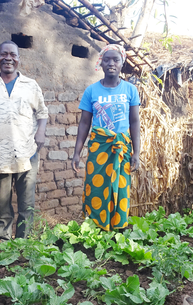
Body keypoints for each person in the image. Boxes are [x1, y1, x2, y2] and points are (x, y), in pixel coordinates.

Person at [0, 41, 49, 242]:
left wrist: (41, 132)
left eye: (13, 55)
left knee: (26, 202)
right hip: (0, 152)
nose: (8, 58)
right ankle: (4, 242)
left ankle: (24, 242)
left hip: (27, 151)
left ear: (18, 59)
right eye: (4, 54)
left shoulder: (31, 85)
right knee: (2, 202)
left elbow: (42, 113)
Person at [71, 44, 141, 231]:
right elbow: (84, 123)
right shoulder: (91, 91)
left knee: (120, 187)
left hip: (121, 148)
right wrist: (76, 152)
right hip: (99, 147)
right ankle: (96, 228)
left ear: (122, 63)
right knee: (96, 187)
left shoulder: (130, 90)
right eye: (107, 59)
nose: (111, 63)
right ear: (100, 63)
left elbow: (134, 123)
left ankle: (118, 228)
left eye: (115, 60)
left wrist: (136, 152)